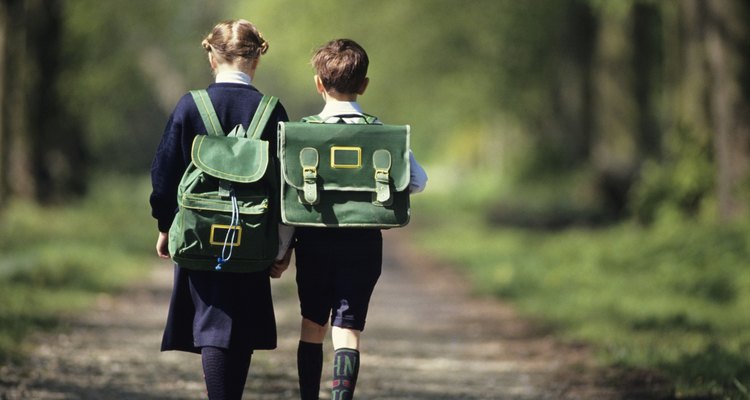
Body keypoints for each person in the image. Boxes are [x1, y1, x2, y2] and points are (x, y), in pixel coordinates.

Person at [274, 38, 427, 400]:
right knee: (348, 329)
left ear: (318, 83)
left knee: (312, 324)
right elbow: (418, 181)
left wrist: (281, 253)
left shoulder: (303, 134)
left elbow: (288, 202)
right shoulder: (381, 135)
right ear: (364, 85)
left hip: (314, 242)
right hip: (363, 243)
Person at [149, 19, 290, 400]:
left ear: (211, 55)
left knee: (212, 322)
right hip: (254, 235)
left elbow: (164, 172)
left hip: (199, 232)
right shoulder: (272, 111)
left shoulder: (189, 105)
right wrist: (283, 246)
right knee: (241, 323)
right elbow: (285, 187)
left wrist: (165, 225)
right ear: (257, 58)